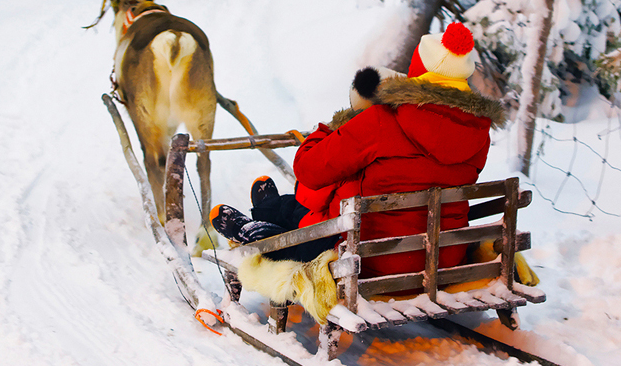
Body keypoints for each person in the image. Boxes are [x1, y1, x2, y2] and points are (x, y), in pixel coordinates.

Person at [210, 22, 505, 280]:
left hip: (375, 258)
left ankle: (263, 230)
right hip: (443, 255)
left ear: (418, 69)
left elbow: (309, 170)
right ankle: (267, 214)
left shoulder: (383, 120)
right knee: (318, 207)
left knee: (315, 209)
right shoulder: (478, 131)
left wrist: (330, 128)